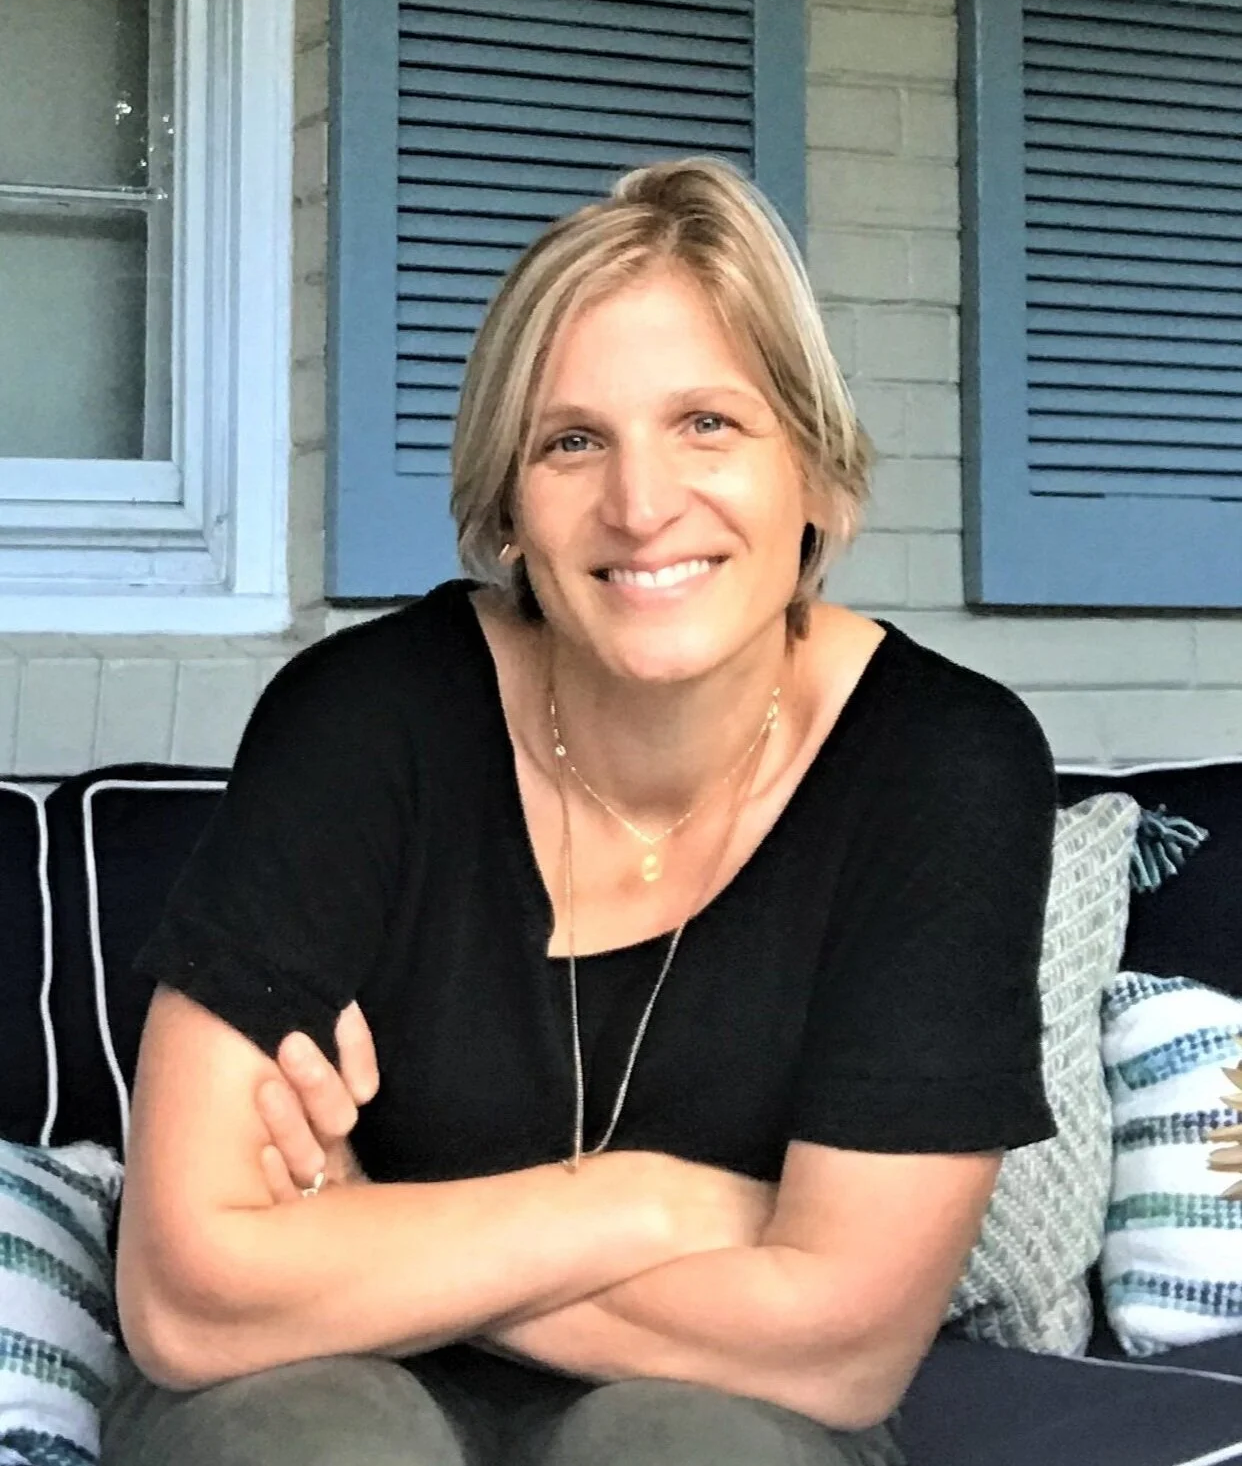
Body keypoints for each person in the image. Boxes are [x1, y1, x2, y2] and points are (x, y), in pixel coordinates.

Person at [103, 157, 1057, 1466]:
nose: (640, 506)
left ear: (818, 478)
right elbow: (188, 1295)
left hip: (724, 1406)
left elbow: (842, 1344)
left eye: (708, 423)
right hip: (308, 1381)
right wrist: (648, 1205)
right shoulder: (362, 720)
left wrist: (357, 1237)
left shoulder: (942, 764)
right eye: (571, 441)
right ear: (507, 508)